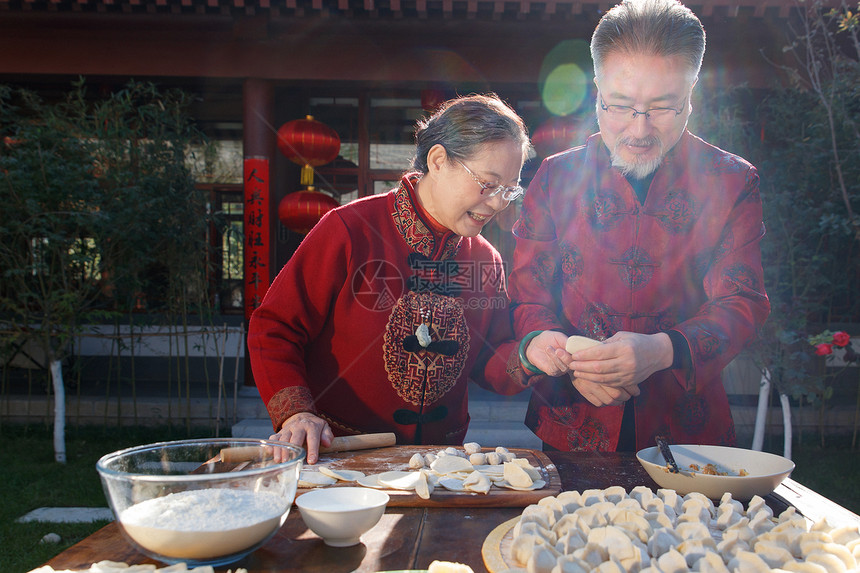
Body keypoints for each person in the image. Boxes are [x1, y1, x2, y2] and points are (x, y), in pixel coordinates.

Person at [509, 0, 770, 452]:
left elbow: (741, 300)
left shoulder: (732, 180)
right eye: (621, 105)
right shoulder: (556, 176)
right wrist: (569, 359)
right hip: (572, 414)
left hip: (687, 424)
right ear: (597, 92)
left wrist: (662, 350)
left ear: (692, 97)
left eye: (663, 107)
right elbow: (528, 292)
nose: (638, 129)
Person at [249, 94, 533, 463]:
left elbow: (489, 361)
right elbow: (275, 328)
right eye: (488, 184)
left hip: (438, 464)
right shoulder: (350, 230)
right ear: (439, 160)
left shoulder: (485, 260)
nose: (497, 203)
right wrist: (296, 412)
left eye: (508, 190)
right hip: (341, 457)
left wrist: (530, 355)